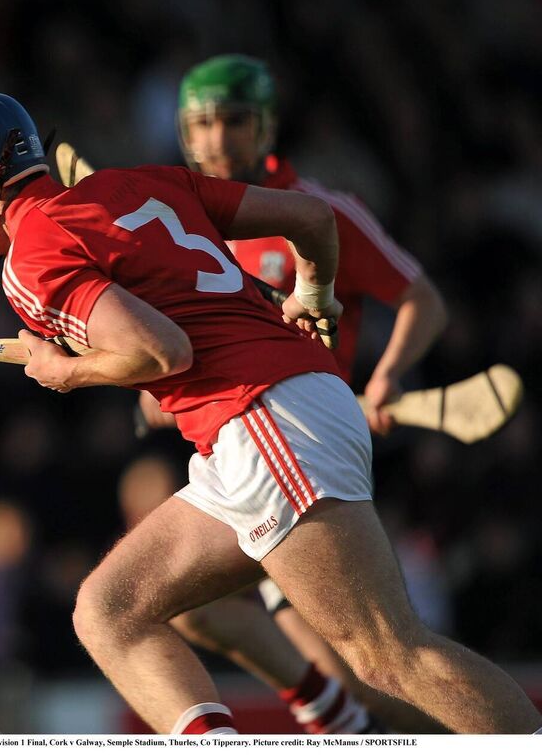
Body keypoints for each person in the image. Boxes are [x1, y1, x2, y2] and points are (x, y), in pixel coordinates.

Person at [0, 91, 542, 735]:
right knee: (110, 609)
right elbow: (311, 218)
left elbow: (162, 350)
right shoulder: (141, 181)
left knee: (386, 654)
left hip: (265, 421)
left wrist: (66, 369)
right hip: (267, 420)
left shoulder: (30, 256)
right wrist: (311, 294)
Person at [68, 55, 450, 733]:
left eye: (235, 121)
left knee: (381, 669)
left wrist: (388, 373)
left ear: (267, 125)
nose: (217, 140)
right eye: (202, 124)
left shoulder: (316, 213)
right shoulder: (184, 225)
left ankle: (356, 720)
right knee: (171, 603)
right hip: (237, 448)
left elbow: (421, 299)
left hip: (302, 445)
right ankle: (336, 720)